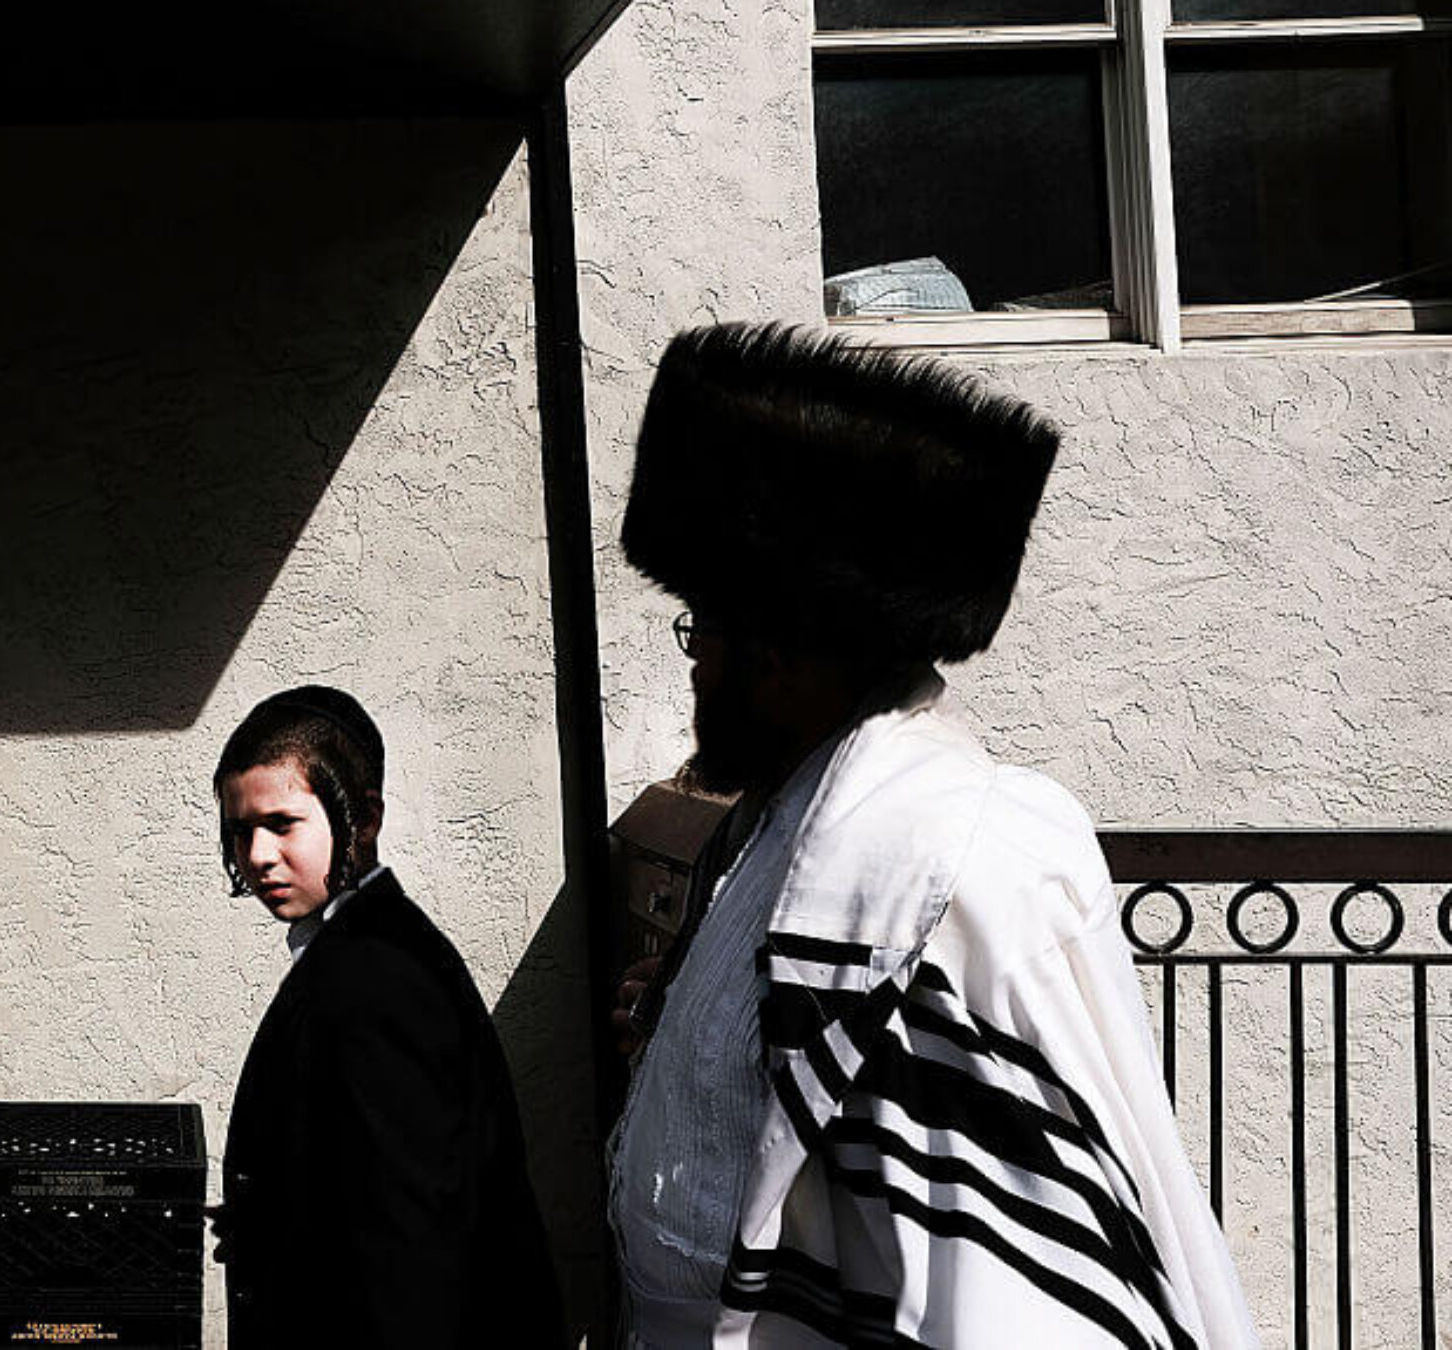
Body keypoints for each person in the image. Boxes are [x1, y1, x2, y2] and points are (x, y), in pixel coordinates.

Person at [606, 322, 1255, 1348]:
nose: (693, 665)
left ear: (781, 653)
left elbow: (1020, 1280)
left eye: (706, 630)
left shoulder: (953, 862)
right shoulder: (787, 822)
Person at [208, 685, 565, 1349]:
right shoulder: (358, 951)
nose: (257, 856)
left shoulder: (379, 984)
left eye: (282, 824)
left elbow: (411, 1261)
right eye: (240, 830)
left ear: (363, 819)